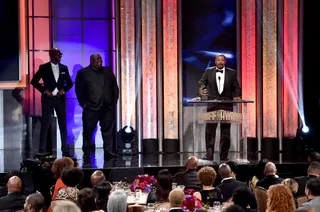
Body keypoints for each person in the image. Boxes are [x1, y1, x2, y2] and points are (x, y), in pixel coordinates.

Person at [197, 54, 241, 161]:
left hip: (227, 105)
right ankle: (209, 155)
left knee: (225, 132)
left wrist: (237, 96)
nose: (220, 62)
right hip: (213, 105)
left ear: (225, 62)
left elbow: (236, 87)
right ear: (215, 61)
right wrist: (201, 92)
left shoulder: (232, 73)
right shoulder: (208, 71)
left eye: (222, 60)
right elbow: (201, 83)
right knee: (210, 132)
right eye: (218, 60)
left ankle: (223, 156)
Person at [75, 54, 119, 159]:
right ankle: (86, 152)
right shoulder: (83, 73)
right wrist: (84, 104)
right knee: (88, 131)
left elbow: (114, 87)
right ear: (91, 61)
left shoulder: (108, 71)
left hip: (107, 107)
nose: (100, 61)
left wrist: (113, 102)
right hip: (91, 107)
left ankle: (108, 151)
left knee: (108, 130)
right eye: (97, 60)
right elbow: (79, 90)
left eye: (100, 59)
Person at [31, 48, 73, 156]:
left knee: (63, 124)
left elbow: (70, 83)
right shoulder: (44, 68)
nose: (60, 56)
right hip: (48, 100)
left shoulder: (64, 68)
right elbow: (34, 81)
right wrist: (44, 91)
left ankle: (65, 149)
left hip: (60, 99)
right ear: (51, 55)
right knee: (45, 124)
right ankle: (42, 149)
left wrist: (63, 90)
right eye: (58, 54)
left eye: (60, 54)